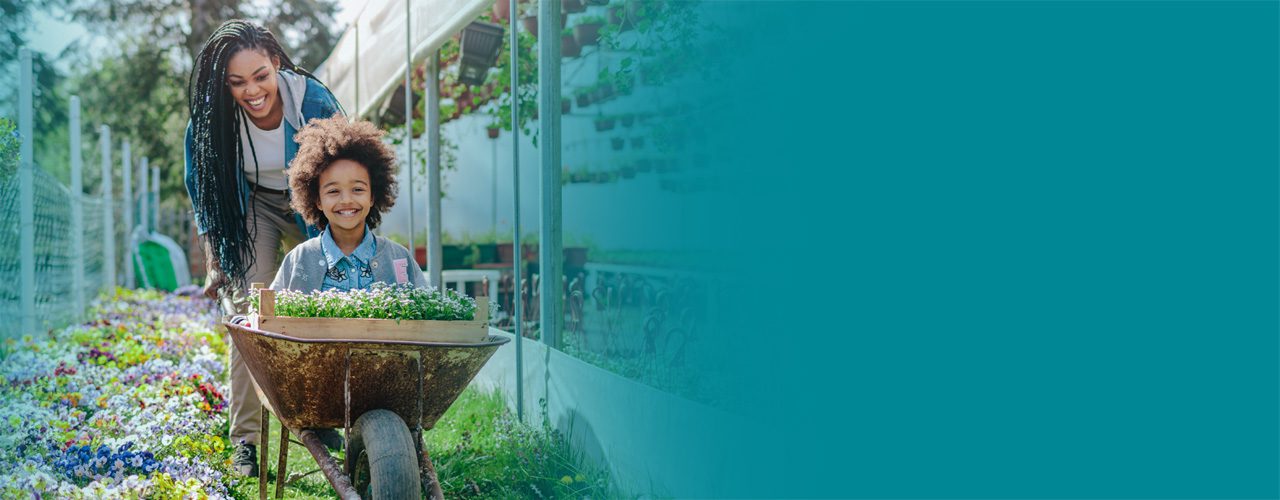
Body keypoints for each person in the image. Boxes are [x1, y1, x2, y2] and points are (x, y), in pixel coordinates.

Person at [183, 19, 342, 476]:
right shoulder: (213, 120)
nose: (251, 91)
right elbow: (203, 190)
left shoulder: (312, 101)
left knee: (327, 298)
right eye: (237, 83)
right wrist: (216, 260)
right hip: (251, 206)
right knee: (251, 312)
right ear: (223, 83)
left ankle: (321, 416)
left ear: (276, 64)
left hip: (310, 202)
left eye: (260, 76)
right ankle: (245, 442)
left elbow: (347, 170)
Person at [271, 117, 427, 291]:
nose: (346, 200)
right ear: (317, 200)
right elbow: (266, 313)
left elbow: (427, 312)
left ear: (372, 196)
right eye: (333, 191)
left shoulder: (399, 258)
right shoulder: (299, 259)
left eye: (358, 189)